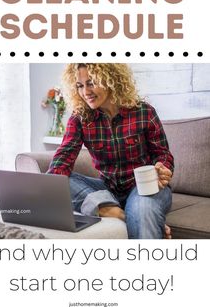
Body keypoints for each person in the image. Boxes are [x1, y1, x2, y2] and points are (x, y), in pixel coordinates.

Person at [47, 63, 174, 239]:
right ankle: (121, 213)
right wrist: (52, 181)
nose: (85, 92)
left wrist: (162, 167)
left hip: (144, 187)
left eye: (91, 83)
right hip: (108, 188)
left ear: (110, 79)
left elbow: (162, 154)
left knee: (142, 207)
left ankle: (115, 210)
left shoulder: (144, 112)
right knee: (57, 181)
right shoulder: (80, 119)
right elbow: (64, 156)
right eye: (80, 86)